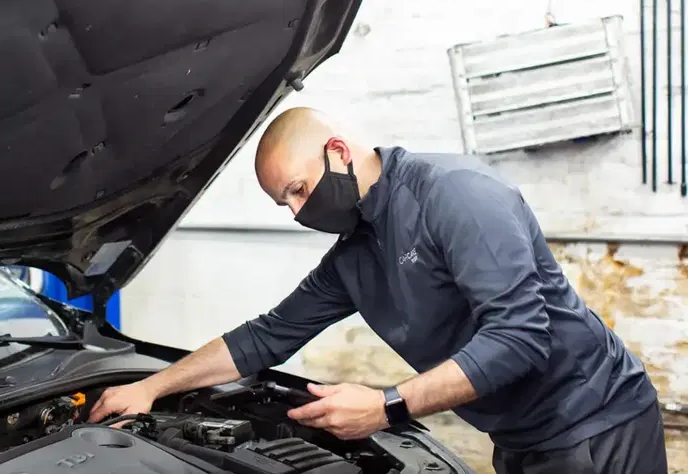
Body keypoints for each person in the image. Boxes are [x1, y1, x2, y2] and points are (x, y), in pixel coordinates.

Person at [89, 107, 667, 473]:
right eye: (282, 203)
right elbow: (266, 336)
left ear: (337, 151)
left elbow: (520, 337)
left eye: (297, 189)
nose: (295, 212)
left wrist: (387, 406)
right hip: (515, 433)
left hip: (594, 419)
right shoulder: (354, 255)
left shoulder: (456, 196)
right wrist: (153, 386)